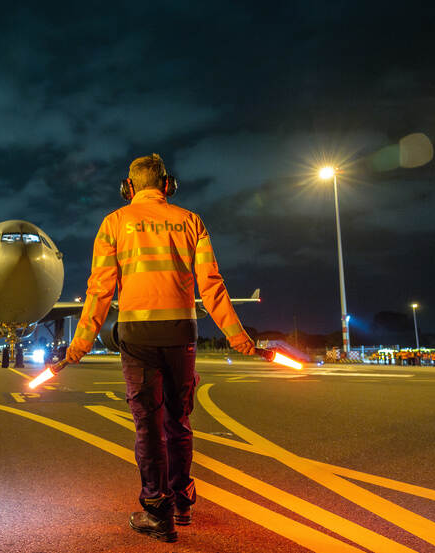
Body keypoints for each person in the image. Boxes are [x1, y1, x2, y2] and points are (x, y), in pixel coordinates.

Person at [63, 153, 256, 542]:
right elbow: (212, 285)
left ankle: (157, 511)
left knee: (147, 426)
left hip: (137, 336)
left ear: (128, 187)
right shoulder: (191, 221)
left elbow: (99, 290)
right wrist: (238, 337)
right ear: (168, 185)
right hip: (181, 333)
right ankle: (182, 502)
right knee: (178, 421)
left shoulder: (114, 223)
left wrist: (79, 344)